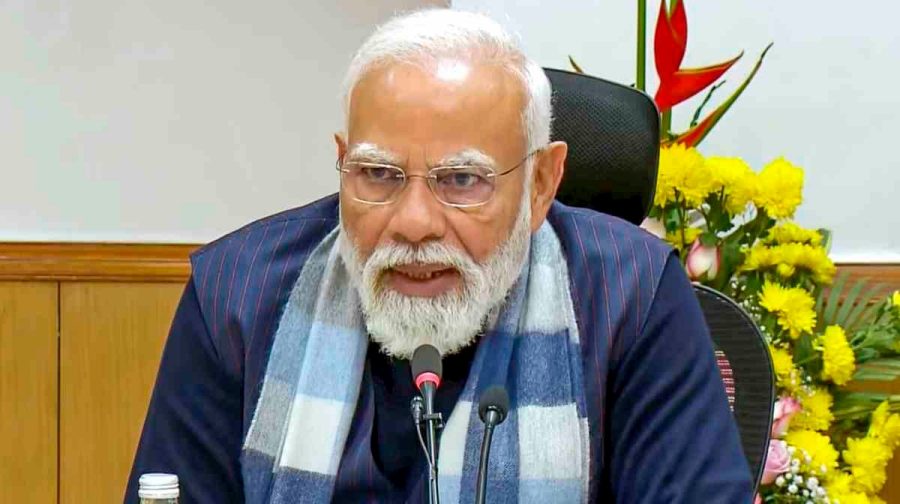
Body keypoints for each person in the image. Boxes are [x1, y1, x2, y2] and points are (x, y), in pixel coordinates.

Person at [127, 8, 752, 503]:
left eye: (461, 180)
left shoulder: (629, 296)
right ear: (343, 160)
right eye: (378, 174)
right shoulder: (238, 294)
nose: (414, 222)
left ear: (539, 185)